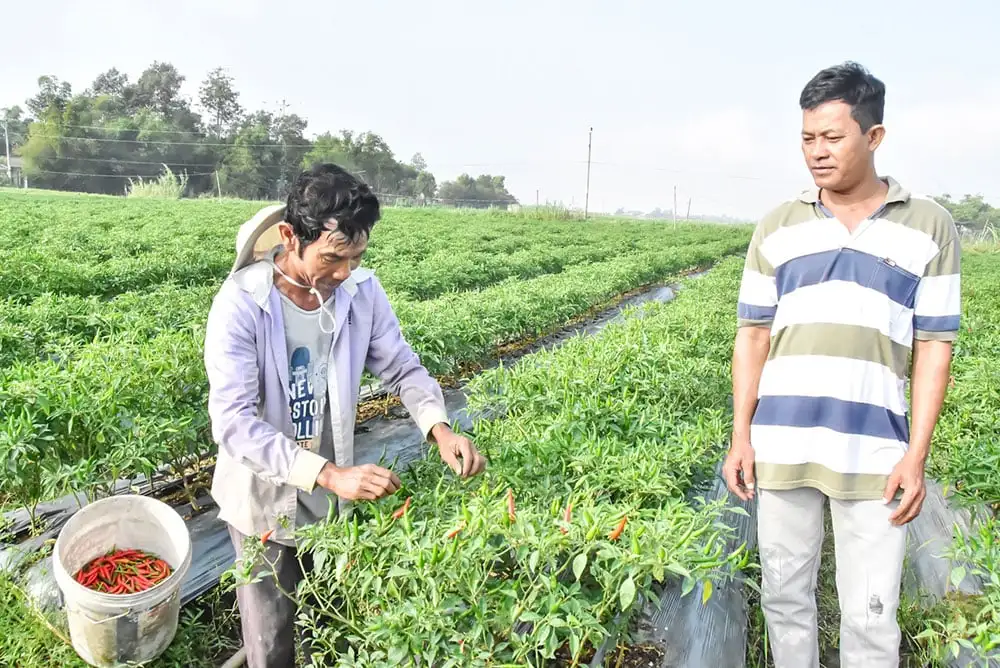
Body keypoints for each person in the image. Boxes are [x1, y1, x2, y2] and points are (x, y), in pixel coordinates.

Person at [204, 163, 488, 667]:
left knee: (327, 621)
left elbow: (401, 365)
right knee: (270, 641)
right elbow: (233, 423)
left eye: (356, 257)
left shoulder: (361, 291)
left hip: (333, 500)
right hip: (263, 500)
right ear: (290, 237)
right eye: (333, 258)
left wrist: (439, 428)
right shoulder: (242, 304)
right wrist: (329, 474)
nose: (344, 273)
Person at [724, 62, 960, 667]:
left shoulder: (929, 225)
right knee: (785, 600)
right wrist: (740, 437)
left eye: (833, 138)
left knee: (871, 616)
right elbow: (752, 336)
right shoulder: (777, 226)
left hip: (877, 450)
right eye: (807, 139)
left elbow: (936, 344)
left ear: (874, 137)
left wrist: (918, 453)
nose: (817, 153)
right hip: (782, 445)